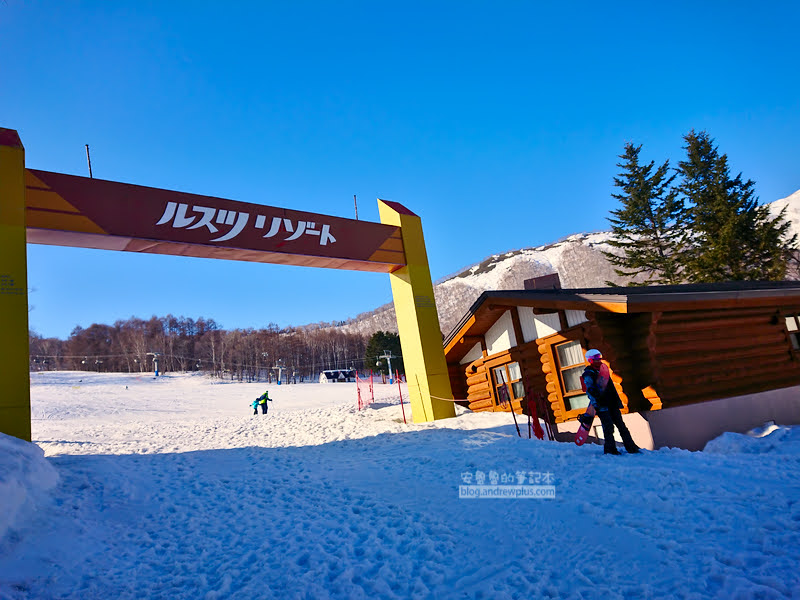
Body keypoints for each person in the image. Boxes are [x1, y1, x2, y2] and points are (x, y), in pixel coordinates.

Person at [581, 349, 640, 455]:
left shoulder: (604, 370)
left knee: (621, 426)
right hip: (602, 405)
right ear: (590, 360)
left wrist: (617, 401)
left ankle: (631, 447)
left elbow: (610, 388)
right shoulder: (588, 374)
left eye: (599, 357)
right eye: (596, 358)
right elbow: (590, 391)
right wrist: (597, 403)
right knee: (608, 427)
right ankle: (610, 449)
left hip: (612, 403)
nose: (599, 360)